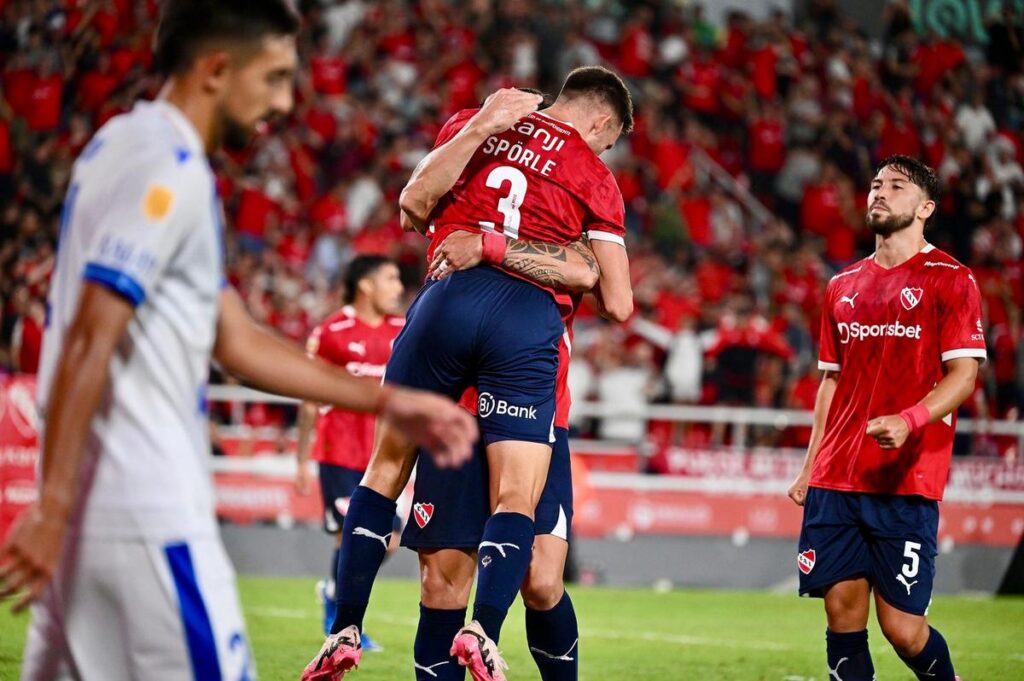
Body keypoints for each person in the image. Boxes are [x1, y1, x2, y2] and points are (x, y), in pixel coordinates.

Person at [0, 3, 476, 679]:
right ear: (217, 69)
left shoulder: (118, 144)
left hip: (96, 515)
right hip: (146, 513)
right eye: (275, 77)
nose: (285, 102)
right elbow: (86, 338)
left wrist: (387, 401)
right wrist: (47, 506)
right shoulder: (169, 169)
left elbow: (237, 339)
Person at [303, 71, 633, 681]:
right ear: (602, 126)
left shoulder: (474, 124)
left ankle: (344, 623)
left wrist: (485, 141)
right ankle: (479, 630)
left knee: (540, 577)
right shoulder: (591, 174)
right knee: (444, 581)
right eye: (607, 142)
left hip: (445, 319)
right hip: (516, 354)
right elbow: (618, 297)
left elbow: (411, 205)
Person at [788, 155, 986, 681]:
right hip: (837, 477)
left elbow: (964, 376)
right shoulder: (842, 285)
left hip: (906, 481)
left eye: (896, 186)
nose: (880, 192)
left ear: (925, 208)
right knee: (841, 615)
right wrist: (810, 467)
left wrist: (911, 419)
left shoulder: (952, 280)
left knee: (902, 629)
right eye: (875, 184)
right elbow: (831, 381)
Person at [295, 255, 406, 644]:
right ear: (366, 285)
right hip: (337, 450)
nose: (399, 287)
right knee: (349, 534)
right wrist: (301, 460)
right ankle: (339, 622)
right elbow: (309, 395)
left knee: (389, 539)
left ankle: (331, 587)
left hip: (384, 453)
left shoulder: (403, 329)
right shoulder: (332, 330)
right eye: (391, 278)